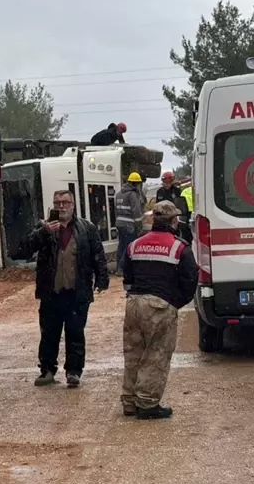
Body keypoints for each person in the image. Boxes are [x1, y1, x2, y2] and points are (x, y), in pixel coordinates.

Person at [15, 189, 109, 388]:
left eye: (65, 202)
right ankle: (47, 370)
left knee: (76, 333)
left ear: (73, 205)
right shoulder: (44, 228)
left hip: (78, 293)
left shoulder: (87, 227)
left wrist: (102, 280)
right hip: (51, 293)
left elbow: (98, 254)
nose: (61, 206)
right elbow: (21, 251)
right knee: (49, 334)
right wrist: (44, 232)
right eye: (57, 202)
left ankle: (73, 372)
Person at [121, 201, 199, 420]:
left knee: (134, 353)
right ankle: (147, 404)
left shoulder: (135, 245)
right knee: (157, 355)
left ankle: (129, 401)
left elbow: (126, 275)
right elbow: (191, 277)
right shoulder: (179, 247)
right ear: (174, 221)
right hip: (160, 305)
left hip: (134, 303)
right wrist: (177, 302)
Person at [114, 172, 144, 275]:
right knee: (128, 246)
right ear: (136, 184)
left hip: (119, 224)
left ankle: (118, 267)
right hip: (129, 225)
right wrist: (139, 225)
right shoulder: (133, 194)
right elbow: (136, 211)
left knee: (121, 246)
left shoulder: (119, 194)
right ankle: (122, 269)